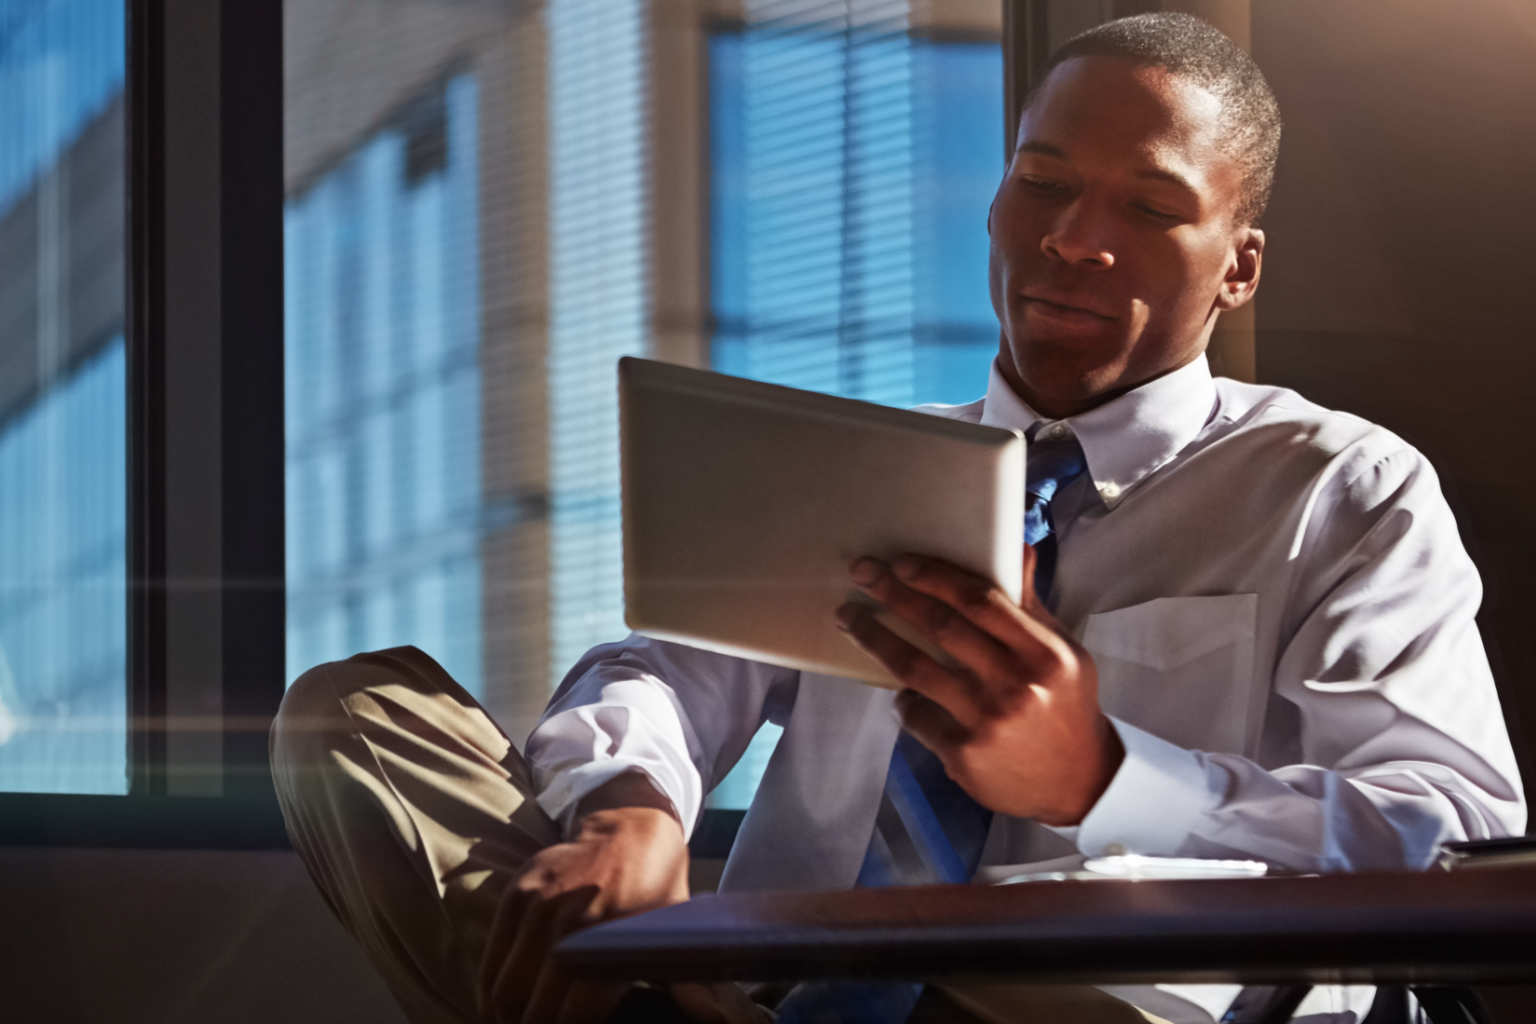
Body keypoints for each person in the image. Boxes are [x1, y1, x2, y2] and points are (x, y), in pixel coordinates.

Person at [269, 13, 1525, 1024]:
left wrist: (1107, 777)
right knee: (357, 714)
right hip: (780, 983)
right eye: (1043, 184)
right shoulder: (851, 461)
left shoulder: (1341, 486)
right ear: (995, 208)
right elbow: (654, 666)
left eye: (1148, 207)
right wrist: (631, 801)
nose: (1075, 239)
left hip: (1093, 998)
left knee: (1052, 964)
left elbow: (1457, 832)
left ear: (1238, 264)